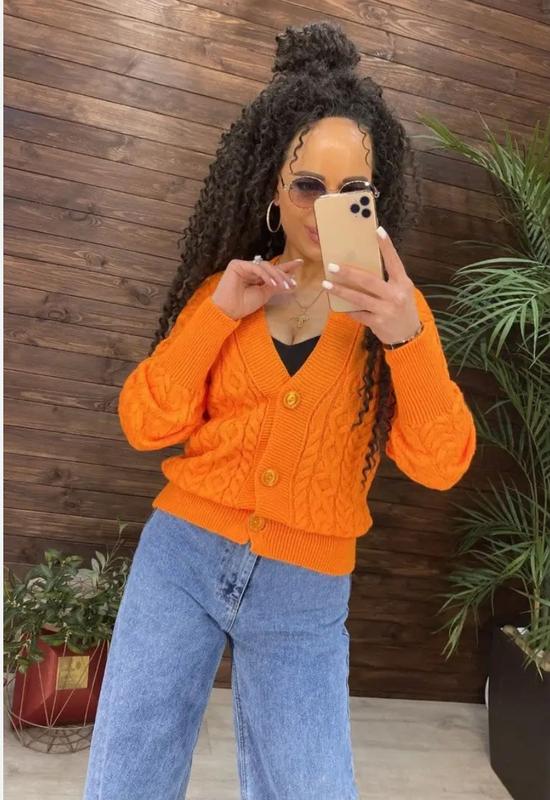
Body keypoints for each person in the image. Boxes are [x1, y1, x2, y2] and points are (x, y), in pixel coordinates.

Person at [82, 21, 476, 800]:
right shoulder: (224, 293)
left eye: (353, 191)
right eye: (308, 186)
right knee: (129, 772)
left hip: (305, 586)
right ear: (272, 190)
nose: (328, 208)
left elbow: (440, 464)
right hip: (181, 558)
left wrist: (407, 340)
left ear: (376, 201)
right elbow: (145, 423)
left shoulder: (396, 314)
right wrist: (216, 316)